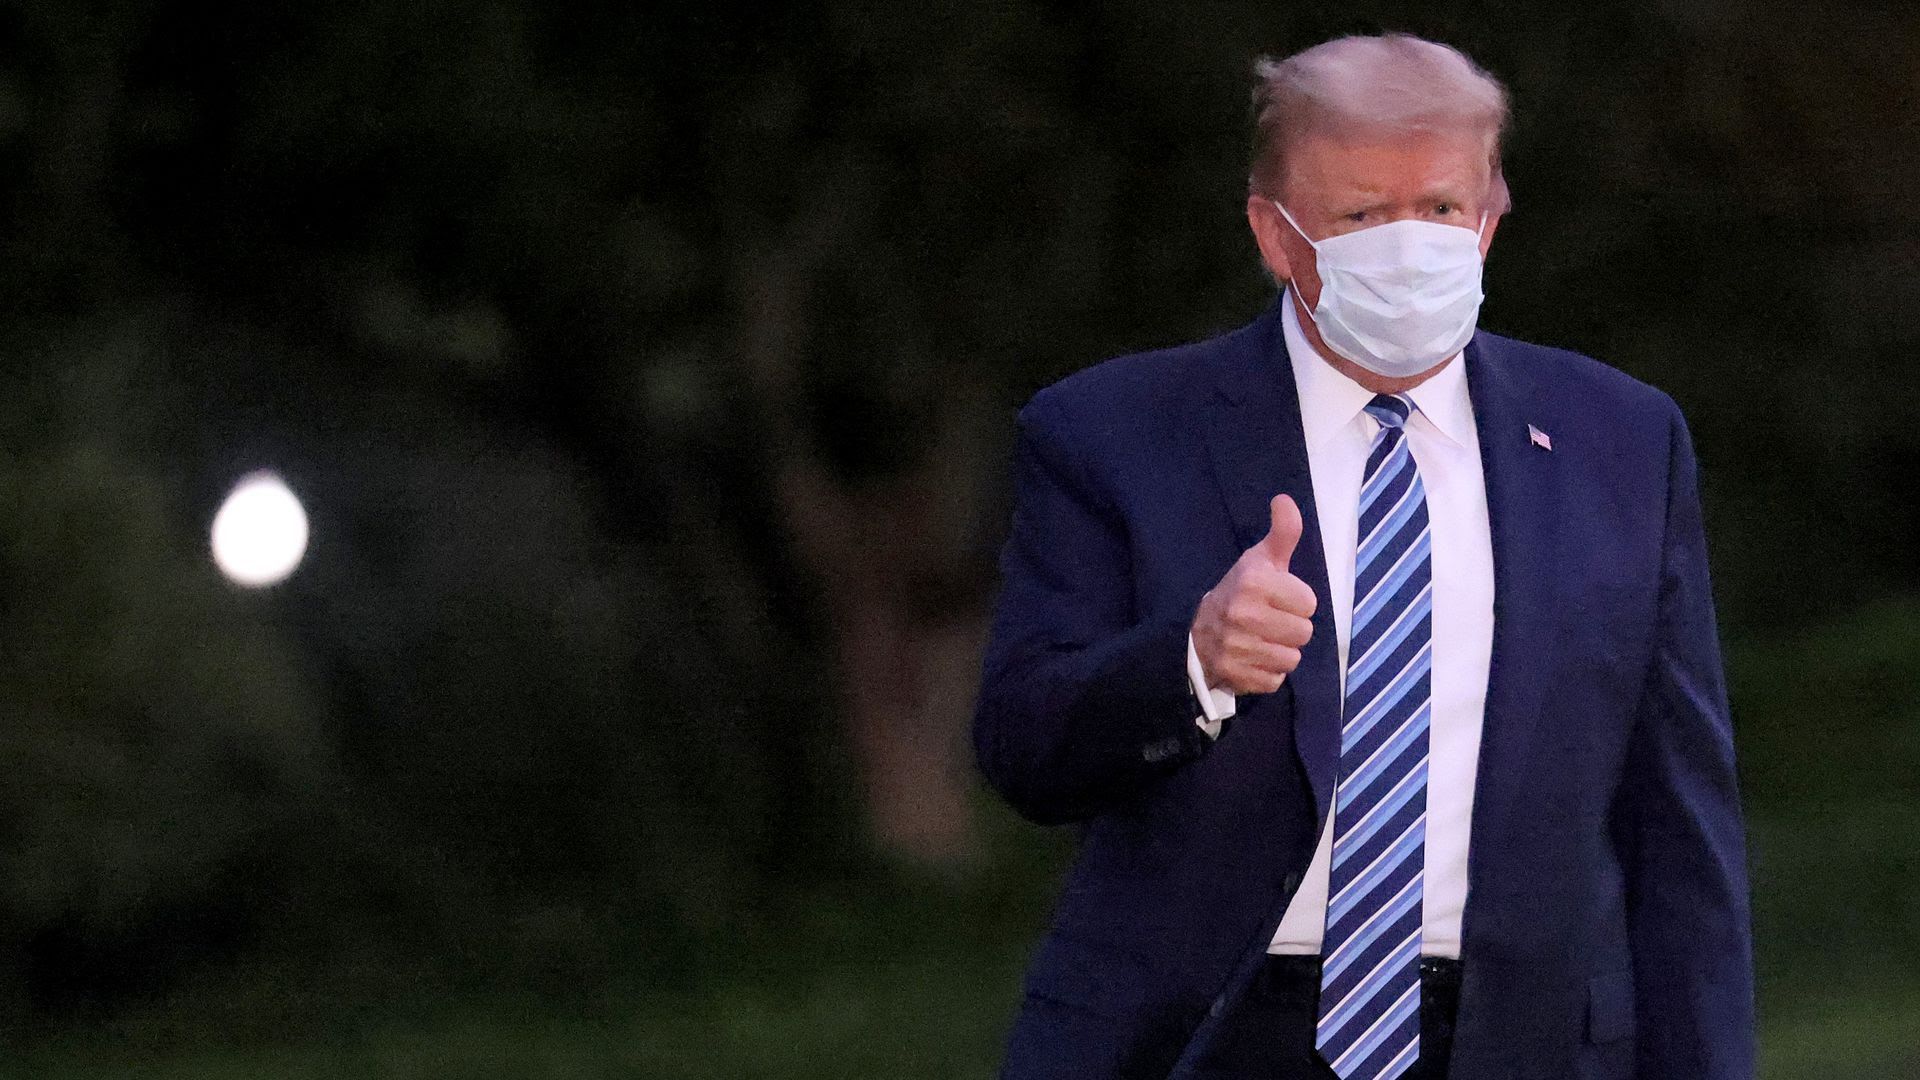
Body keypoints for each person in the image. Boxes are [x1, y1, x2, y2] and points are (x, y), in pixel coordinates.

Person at [973, 32, 1753, 1080]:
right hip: (1209, 1037)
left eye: (1439, 207)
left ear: (1490, 218)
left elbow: (1680, 826)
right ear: (1276, 234)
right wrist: (1191, 663)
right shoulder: (1112, 434)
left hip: (1527, 1038)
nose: (1408, 247)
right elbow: (1023, 744)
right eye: (1361, 217)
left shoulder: (1619, 440)